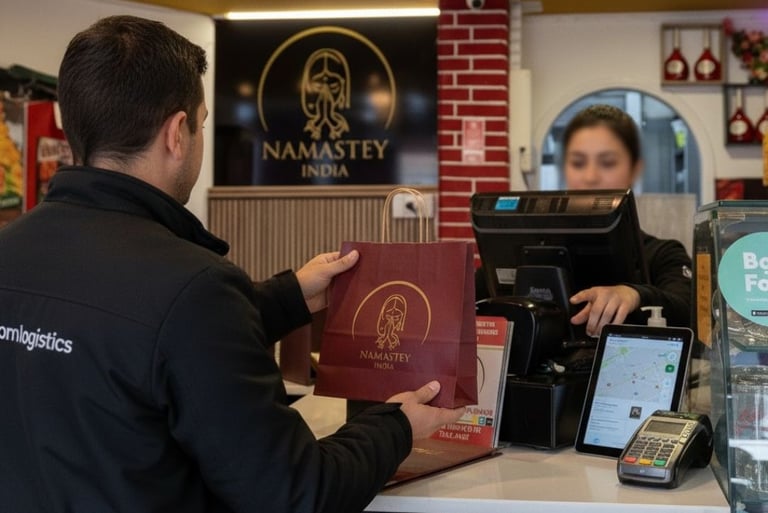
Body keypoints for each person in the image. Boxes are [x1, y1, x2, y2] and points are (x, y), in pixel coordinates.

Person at [0, 16, 463, 513]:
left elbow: (132, 339)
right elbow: (295, 493)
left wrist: (290, 296)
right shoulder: (194, 287)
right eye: (200, 124)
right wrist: (396, 425)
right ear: (177, 133)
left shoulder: (12, 249)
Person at [561, 104, 692, 336]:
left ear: (634, 169)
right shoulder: (535, 255)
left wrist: (635, 295)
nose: (590, 177)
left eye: (608, 162)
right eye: (578, 163)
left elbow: (688, 310)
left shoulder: (664, 254)